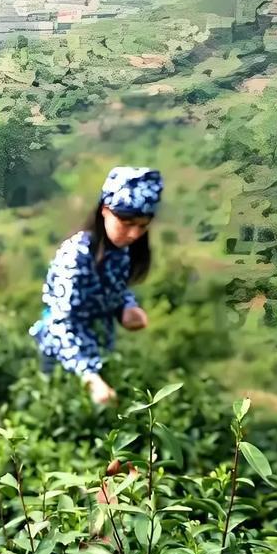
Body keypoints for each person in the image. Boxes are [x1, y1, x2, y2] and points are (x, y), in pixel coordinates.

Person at [30, 166, 163, 405]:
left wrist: (126, 307)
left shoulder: (120, 252)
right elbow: (63, 325)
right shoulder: (75, 256)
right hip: (65, 360)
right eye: (126, 222)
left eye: (142, 226)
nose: (134, 234)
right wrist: (90, 377)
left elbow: (115, 289)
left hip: (100, 355)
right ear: (105, 210)